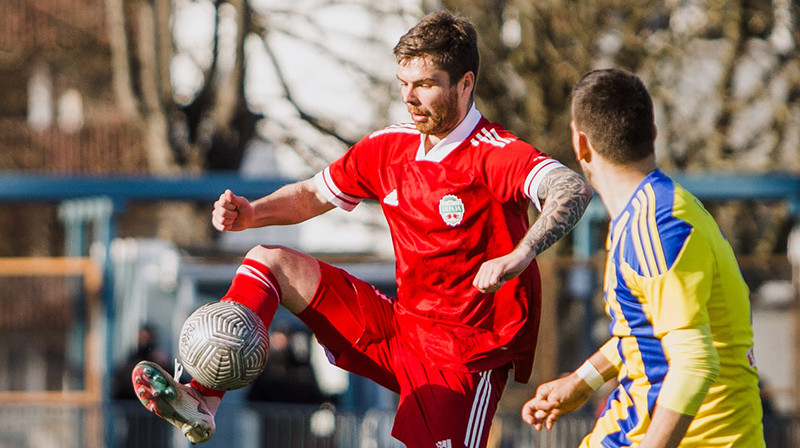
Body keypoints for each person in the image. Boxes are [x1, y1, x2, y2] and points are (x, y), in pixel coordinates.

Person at [132, 10, 593, 448]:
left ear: (465, 84)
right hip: (398, 326)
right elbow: (313, 194)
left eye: (426, 85)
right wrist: (253, 214)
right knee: (267, 262)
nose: (410, 97)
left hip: (464, 356)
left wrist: (521, 253)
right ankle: (201, 398)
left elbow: (571, 188)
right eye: (404, 84)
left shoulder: (495, 153)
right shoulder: (388, 148)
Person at [521, 68, 765, 447]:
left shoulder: (657, 226)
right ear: (653, 135)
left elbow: (695, 365)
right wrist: (582, 381)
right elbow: (648, 332)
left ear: (579, 143)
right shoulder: (653, 213)